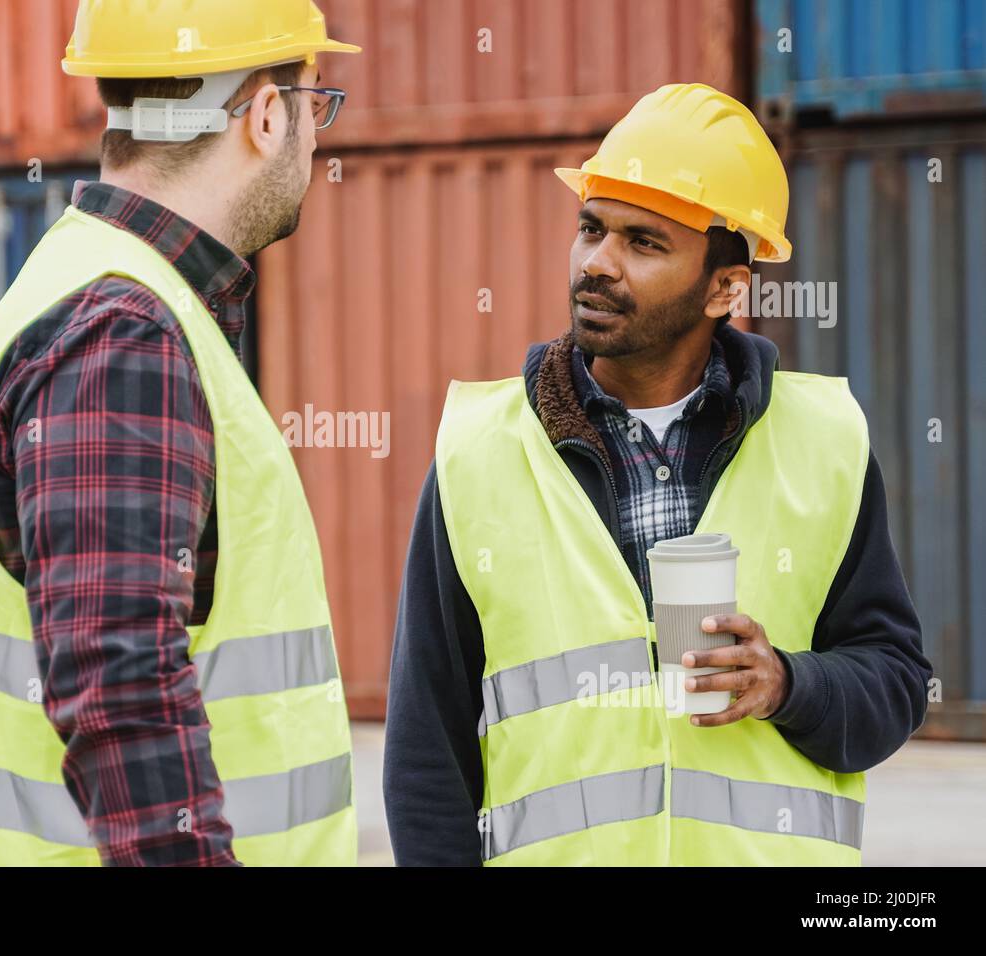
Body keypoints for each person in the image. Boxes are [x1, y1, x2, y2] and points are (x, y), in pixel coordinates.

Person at [383, 83, 932, 866]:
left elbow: (896, 682)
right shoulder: (480, 451)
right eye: (591, 228)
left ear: (725, 288)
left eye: (644, 243)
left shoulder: (823, 441)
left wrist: (788, 684)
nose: (597, 265)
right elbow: (425, 750)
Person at [0, 0, 361, 866]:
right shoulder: (124, 328)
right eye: (315, 105)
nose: (316, 140)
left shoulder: (93, 283)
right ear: (265, 116)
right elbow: (120, 689)